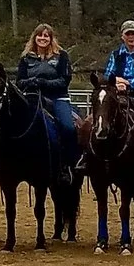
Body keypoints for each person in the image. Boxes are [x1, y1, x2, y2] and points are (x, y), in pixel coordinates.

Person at [14, 23, 80, 185]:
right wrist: (31, 82)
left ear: (51, 39)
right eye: (40, 35)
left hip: (57, 98)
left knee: (68, 127)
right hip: (31, 98)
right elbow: (19, 81)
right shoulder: (26, 58)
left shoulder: (61, 56)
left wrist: (43, 82)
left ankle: (68, 164)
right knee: (7, 122)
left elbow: (64, 81)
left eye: (46, 36)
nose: (42, 38)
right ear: (34, 37)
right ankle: (3, 162)